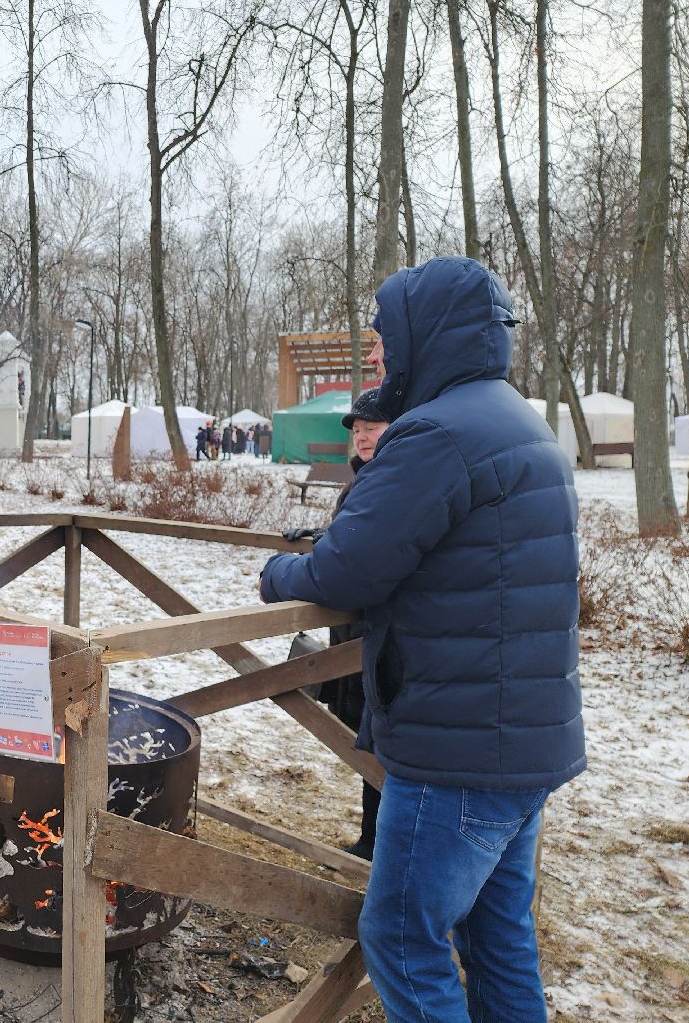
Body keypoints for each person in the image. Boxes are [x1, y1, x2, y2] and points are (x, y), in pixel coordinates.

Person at [260, 257, 584, 1022]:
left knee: (402, 937)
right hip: (519, 739)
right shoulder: (518, 419)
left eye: (383, 336)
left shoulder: (438, 433)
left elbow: (346, 570)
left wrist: (279, 573)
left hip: (457, 747)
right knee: (497, 938)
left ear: (425, 334)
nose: (376, 353)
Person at [284, 387, 390, 861]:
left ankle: (376, 844)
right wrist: (324, 536)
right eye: (358, 430)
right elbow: (359, 538)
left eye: (373, 427)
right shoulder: (362, 479)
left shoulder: (394, 479)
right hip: (352, 630)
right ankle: (372, 839)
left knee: (377, 737)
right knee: (363, 734)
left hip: (377, 633)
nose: (362, 437)